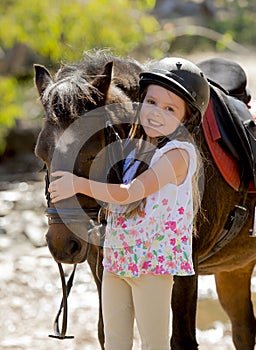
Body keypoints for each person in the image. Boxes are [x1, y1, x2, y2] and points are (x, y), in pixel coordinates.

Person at [49, 57, 210, 350]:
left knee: (154, 343)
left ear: (187, 118)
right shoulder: (133, 148)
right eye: (151, 102)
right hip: (117, 260)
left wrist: (78, 184)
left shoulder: (178, 154)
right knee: (115, 342)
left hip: (151, 265)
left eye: (169, 108)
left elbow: (131, 192)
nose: (156, 113)